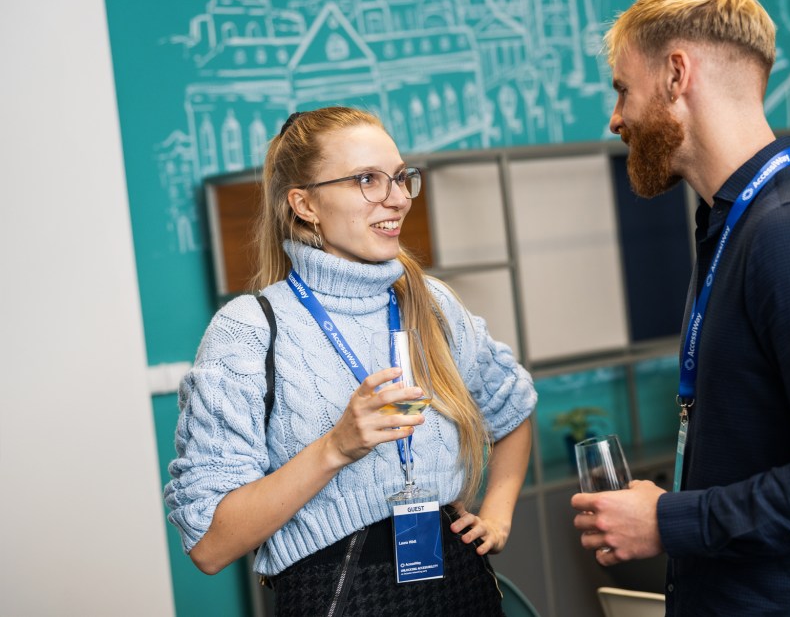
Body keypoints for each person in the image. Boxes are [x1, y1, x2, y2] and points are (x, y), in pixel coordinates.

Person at [571, 0, 790, 615]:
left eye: (622, 89)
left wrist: (669, 521)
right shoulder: (735, 227)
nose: (616, 119)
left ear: (677, 74)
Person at [164, 106, 536, 616]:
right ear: (305, 204)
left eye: (400, 177)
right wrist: (336, 447)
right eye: (367, 179)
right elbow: (210, 546)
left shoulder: (431, 304)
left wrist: (496, 515)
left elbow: (513, 409)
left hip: (461, 589)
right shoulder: (248, 330)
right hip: (338, 597)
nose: (398, 198)